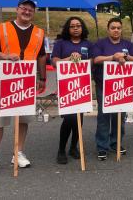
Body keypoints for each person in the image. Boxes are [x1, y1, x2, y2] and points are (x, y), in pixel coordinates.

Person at [0, 0, 46, 175]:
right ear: (17, 9)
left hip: (27, 81)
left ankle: (17, 153)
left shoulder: (39, 32)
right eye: (24, 8)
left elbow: (41, 56)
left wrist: (42, 77)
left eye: (30, 10)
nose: (27, 12)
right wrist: (4, 56)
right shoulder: (2, 28)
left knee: (24, 120)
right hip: (5, 80)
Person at [93, 18, 133, 161]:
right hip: (104, 86)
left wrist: (125, 56)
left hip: (122, 87)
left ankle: (116, 142)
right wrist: (113, 57)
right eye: (113, 28)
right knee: (104, 117)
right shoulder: (100, 43)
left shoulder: (127, 44)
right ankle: (102, 146)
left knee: (119, 117)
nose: (116, 30)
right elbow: (96, 59)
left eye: (119, 28)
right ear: (108, 29)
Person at [51, 17, 93, 164]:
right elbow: (54, 61)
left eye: (78, 26)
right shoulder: (61, 43)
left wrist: (83, 61)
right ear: (67, 29)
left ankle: (74, 147)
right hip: (66, 86)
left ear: (82, 28)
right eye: (72, 26)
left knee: (79, 119)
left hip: (82, 86)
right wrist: (68, 59)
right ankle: (61, 149)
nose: (75, 28)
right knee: (69, 119)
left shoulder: (88, 44)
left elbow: (92, 62)